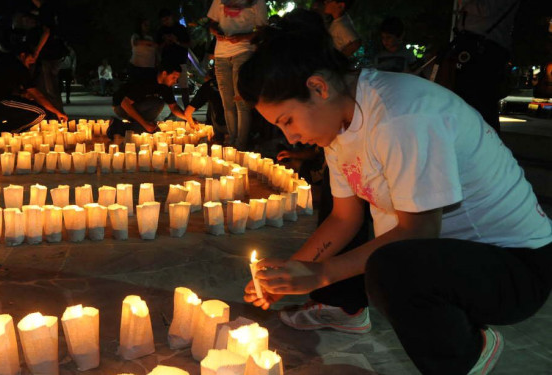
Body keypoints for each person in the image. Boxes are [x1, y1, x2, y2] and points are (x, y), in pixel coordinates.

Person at [237, 15, 552, 375]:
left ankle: (469, 356)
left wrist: (321, 274)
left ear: (319, 87)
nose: (290, 139)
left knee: (391, 269)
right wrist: (287, 275)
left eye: (287, 120)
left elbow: (418, 232)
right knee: (386, 260)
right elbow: (344, 218)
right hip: (450, 261)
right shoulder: (340, 124)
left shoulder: (399, 115)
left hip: (515, 266)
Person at [447, 0, 520, 133]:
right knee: (469, 98)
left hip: (485, 49)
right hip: (476, 45)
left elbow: (486, 9)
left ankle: (485, 142)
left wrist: (463, 3)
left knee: (479, 100)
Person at [207, 0, 268, 150]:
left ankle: (241, 143)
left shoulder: (257, 2)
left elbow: (263, 30)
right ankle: (231, 138)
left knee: (241, 100)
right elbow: (212, 23)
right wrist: (216, 31)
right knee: (226, 101)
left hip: (243, 50)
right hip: (221, 54)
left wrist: (243, 37)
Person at [0, 44, 67, 133]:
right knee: (40, 113)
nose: (32, 61)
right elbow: (37, 95)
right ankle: (5, 132)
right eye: (31, 58)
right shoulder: (17, 65)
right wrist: (57, 112)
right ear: (23, 55)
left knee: (18, 106)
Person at [109, 64, 189, 136]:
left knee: (157, 107)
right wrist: (145, 124)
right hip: (120, 105)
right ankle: (117, 127)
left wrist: (188, 118)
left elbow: (174, 107)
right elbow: (125, 103)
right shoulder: (146, 80)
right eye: (173, 77)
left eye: (177, 78)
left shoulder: (166, 86)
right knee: (155, 108)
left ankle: (124, 125)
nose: (175, 81)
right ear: (164, 74)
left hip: (136, 105)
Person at [28, 0, 68, 112]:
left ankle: (57, 114)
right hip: (55, 53)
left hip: (50, 54)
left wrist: (37, 51)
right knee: (48, 85)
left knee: (49, 87)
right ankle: (53, 112)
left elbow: (46, 31)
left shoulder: (45, 9)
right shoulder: (50, 9)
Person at [156, 8, 191, 107]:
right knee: (167, 86)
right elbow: (157, 47)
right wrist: (165, 42)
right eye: (163, 21)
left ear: (171, 17)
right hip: (167, 61)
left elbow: (189, 44)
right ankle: (173, 107)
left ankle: (187, 109)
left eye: (167, 19)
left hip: (180, 60)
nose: (165, 22)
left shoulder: (180, 29)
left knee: (184, 86)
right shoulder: (161, 31)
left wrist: (177, 42)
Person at [129, 17, 158, 82]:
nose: (147, 27)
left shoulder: (150, 37)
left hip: (150, 68)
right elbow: (136, 42)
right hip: (137, 68)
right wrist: (150, 43)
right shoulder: (135, 36)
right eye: (145, 25)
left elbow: (154, 52)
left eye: (148, 25)